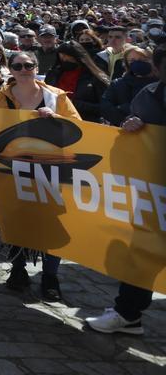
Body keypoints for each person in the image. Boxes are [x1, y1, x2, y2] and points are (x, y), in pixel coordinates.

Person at [0, 50, 81, 301]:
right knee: (16, 218)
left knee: (52, 222)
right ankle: (18, 269)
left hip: (51, 169)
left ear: (37, 68)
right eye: (18, 66)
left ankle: (50, 276)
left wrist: (56, 118)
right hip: (11, 170)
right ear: (10, 70)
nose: (24, 70)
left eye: (29, 65)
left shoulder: (56, 97)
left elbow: (78, 127)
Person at [85, 45, 165, 336]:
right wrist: (132, 125)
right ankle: (128, 314)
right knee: (142, 254)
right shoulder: (149, 96)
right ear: (157, 69)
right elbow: (128, 136)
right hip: (154, 191)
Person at [45, 41, 108, 122]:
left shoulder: (96, 77)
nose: (64, 59)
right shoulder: (53, 74)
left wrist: (73, 103)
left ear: (77, 57)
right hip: (55, 121)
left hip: (86, 122)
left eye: (67, 56)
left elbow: (105, 108)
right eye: (61, 55)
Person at [101, 46, 155, 125]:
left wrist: (123, 108)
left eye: (143, 59)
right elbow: (105, 107)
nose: (138, 63)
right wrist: (124, 120)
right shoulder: (117, 84)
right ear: (127, 64)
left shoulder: (161, 83)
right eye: (132, 60)